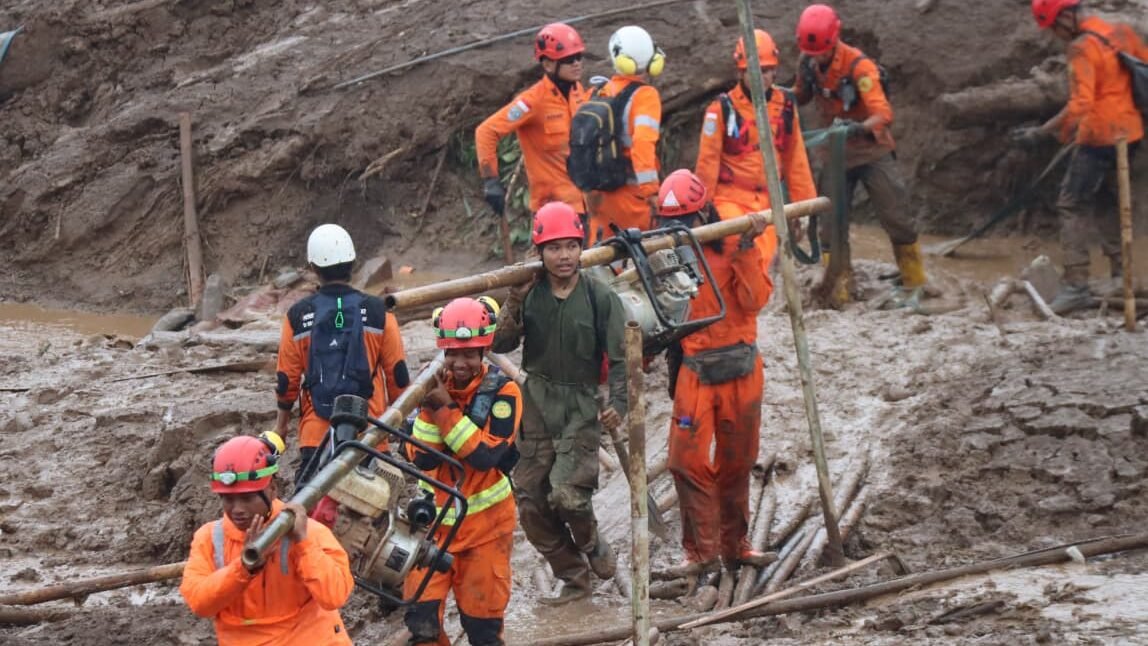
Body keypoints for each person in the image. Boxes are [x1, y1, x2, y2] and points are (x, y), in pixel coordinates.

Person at [491, 201, 627, 604]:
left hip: (581, 404)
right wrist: (514, 301)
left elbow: (622, 357)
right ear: (539, 252)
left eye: (570, 246)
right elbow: (500, 344)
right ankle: (573, 577)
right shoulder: (529, 295)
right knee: (531, 503)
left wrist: (618, 401)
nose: (563, 256)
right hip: (536, 402)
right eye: (554, 248)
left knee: (566, 494)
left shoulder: (601, 297)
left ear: (581, 247)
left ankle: (593, 542)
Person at [656, 170, 776, 583]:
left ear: (703, 213)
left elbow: (757, 299)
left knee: (737, 462)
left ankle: (735, 546)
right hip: (695, 370)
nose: (682, 231)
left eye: (689, 221)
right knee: (684, 461)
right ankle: (700, 553)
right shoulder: (664, 253)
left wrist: (746, 249)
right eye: (674, 225)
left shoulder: (733, 241)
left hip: (741, 366)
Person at [402, 297, 522, 646]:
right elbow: (422, 459)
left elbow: (485, 456)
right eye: (452, 353)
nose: (460, 363)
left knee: (482, 631)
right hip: (433, 530)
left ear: (485, 350)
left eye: (469, 354)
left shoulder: (504, 391)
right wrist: (431, 406)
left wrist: (442, 408)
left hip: (485, 530)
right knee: (421, 625)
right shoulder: (431, 386)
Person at [1019, 0, 1147, 314]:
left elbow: (1080, 104)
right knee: (1107, 200)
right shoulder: (1117, 30)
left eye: (1053, 28)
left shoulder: (1080, 47)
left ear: (1064, 17)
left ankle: (1076, 286)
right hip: (1129, 132)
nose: (1055, 36)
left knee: (1072, 203)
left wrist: (1042, 132)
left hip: (1100, 136)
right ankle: (1122, 274)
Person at [793, 3, 927, 301]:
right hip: (835, 155)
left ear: (834, 41)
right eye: (812, 53)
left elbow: (883, 113)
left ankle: (914, 281)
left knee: (896, 215)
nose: (817, 58)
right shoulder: (807, 63)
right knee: (830, 225)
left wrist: (858, 127)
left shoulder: (859, 67)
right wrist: (778, 95)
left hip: (871, 151)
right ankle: (839, 286)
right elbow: (800, 95)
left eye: (822, 52)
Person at [180, 432, 355, 645]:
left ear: (272, 489)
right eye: (228, 499)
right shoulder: (210, 538)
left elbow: (334, 596)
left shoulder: (309, 532)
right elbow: (200, 603)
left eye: (247, 498)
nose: (237, 510)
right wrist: (243, 569)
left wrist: (303, 543)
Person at [275, 224, 410, 487]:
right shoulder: (379, 311)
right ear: (353, 262)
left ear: (313, 267)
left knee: (315, 512)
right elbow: (398, 375)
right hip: (370, 432)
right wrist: (401, 426)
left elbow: (286, 381)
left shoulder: (298, 316)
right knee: (374, 513)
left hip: (316, 436)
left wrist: (281, 427)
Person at [694, 28, 818, 267]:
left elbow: (796, 160)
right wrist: (702, 211)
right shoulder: (721, 109)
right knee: (730, 252)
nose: (762, 77)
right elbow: (707, 163)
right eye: (756, 71)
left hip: (767, 202)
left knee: (760, 263)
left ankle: (754, 304)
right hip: (729, 199)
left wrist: (803, 209)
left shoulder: (786, 108)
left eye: (767, 71)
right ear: (741, 72)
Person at [476, 23, 588, 231]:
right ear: (547, 65)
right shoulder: (531, 102)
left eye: (579, 57)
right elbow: (486, 131)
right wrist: (490, 180)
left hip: (586, 202)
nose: (577, 64)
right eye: (569, 60)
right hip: (553, 208)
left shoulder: (578, 92)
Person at [584, 25, 665, 244]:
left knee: (602, 264)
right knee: (638, 264)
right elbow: (642, 145)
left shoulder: (596, 92)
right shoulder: (645, 96)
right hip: (633, 199)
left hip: (598, 197)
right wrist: (652, 193)